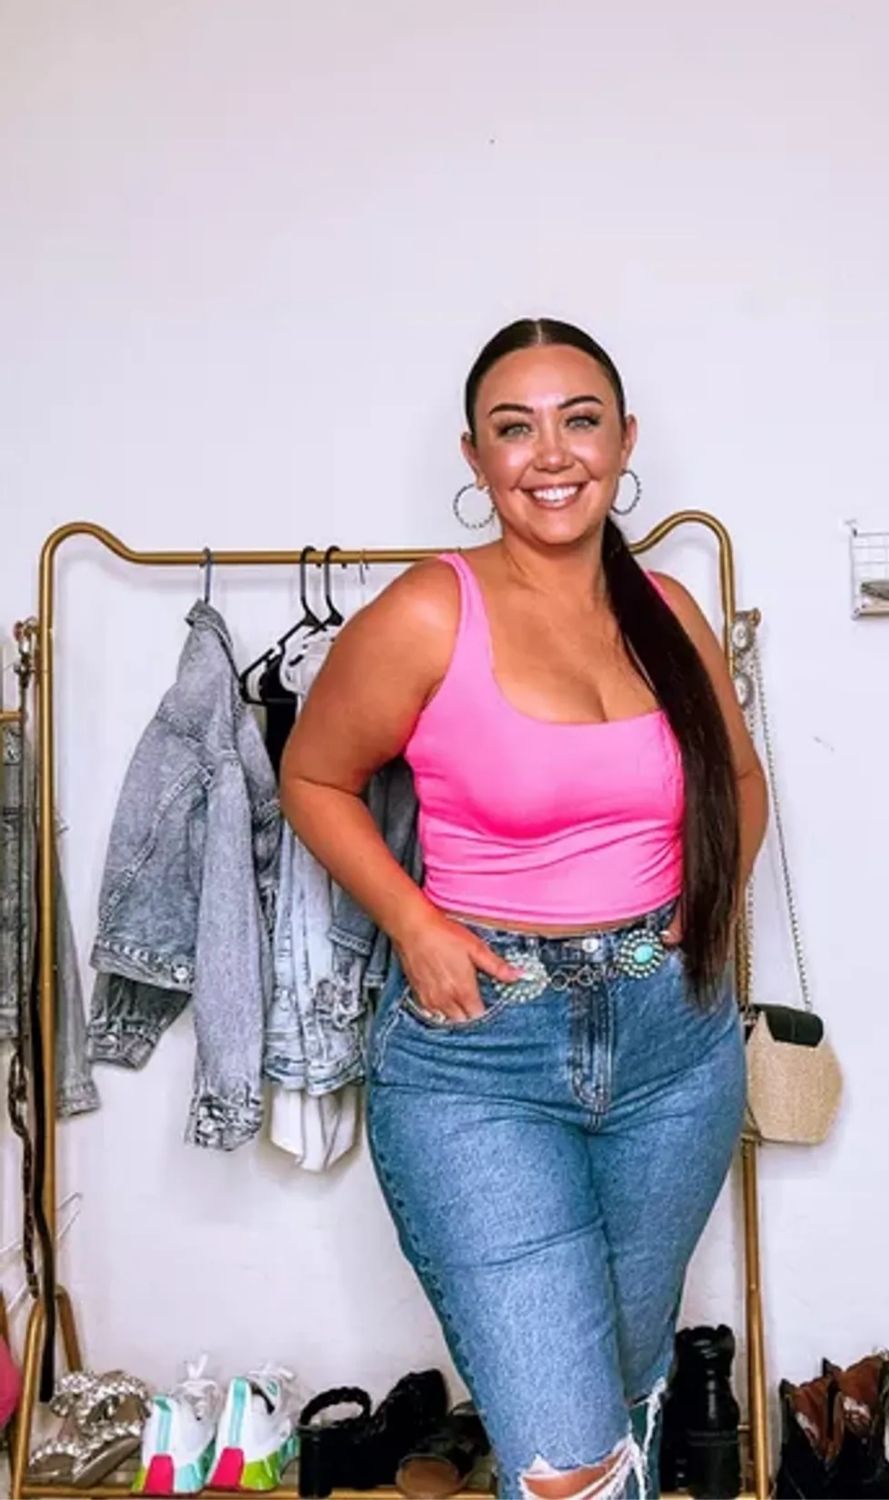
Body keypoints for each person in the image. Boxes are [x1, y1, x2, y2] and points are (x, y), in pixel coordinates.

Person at [281, 318, 768, 1499]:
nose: (550, 453)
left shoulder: (665, 607)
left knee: (625, 1383)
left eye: (579, 418)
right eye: (514, 427)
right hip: (480, 1064)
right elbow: (311, 776)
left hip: (674, 1048)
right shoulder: (426, 612)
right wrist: (413, 921)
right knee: (570, 1460)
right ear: (475, 456)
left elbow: (740, 781)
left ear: (623, 439)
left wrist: (711, 902)